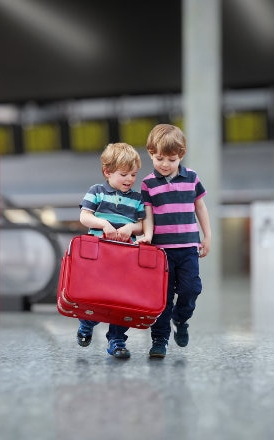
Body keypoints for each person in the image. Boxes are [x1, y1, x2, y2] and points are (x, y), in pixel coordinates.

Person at [137, 124, 212, 358]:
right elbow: (147, 213)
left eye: (171, 159)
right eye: (159, 158)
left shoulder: (191, 178)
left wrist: (207, 236)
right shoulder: (148, 184)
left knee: (191, 288)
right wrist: (147, 236)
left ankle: (181, 319)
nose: (165, 164)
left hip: (188, 247)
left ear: (181, 155)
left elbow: (200, 206)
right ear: (150, 153)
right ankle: (159, 340)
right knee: (163, 298)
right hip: (161, 252)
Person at [76, 142, 145, 359]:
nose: (130, 179)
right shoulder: (96, 191)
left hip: (125, 260)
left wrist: (131, 227)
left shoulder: (137, 199)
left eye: (133, 174)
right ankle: (87, 323)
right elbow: (84, 216)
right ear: (107, 172)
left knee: (122, 302)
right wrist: (103, 224)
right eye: (124, 174)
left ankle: (117, 340)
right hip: (99, 258)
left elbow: (143, 225)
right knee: (97, 297)